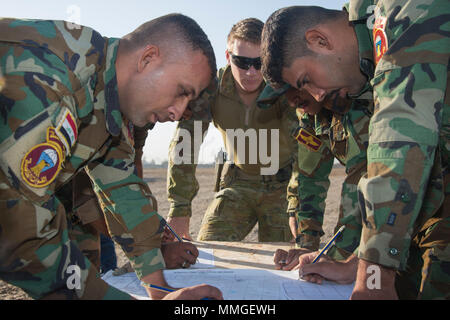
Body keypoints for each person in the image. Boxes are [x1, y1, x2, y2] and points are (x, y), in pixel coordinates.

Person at [0, 14, 223, 300]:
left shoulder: (107, 98)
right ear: (148, 59)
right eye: (181, 92)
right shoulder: (56, 77)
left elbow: (124, 192)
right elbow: (20, 230)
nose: (177, 113)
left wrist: (159, 288)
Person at [260, 2, 449, 299]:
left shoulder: (401, 10)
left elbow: (399, 137)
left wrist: (374, 271)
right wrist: (356, 261)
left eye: (307, 81)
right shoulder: (361, 70)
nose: (317, 96)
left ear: (319, 40)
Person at [166, 18, 299, 242]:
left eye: (260, 63)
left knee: (283, 261)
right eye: (242, 62)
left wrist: (297, 203)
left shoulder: (283, 90)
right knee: (209, 252)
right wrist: (179, 209)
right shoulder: (211, 89)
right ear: (228, 57)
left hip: (282, 188)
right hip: (238, 185)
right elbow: (185, 143)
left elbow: (303, 149)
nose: (251, 72)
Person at [259, 87, 372, 273]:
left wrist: (340, 257)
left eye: (294, 89)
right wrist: (307, 244)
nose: (292, 101)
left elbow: (360, 180)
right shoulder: (310, 117)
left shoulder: (358, 101)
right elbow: (310, 177)